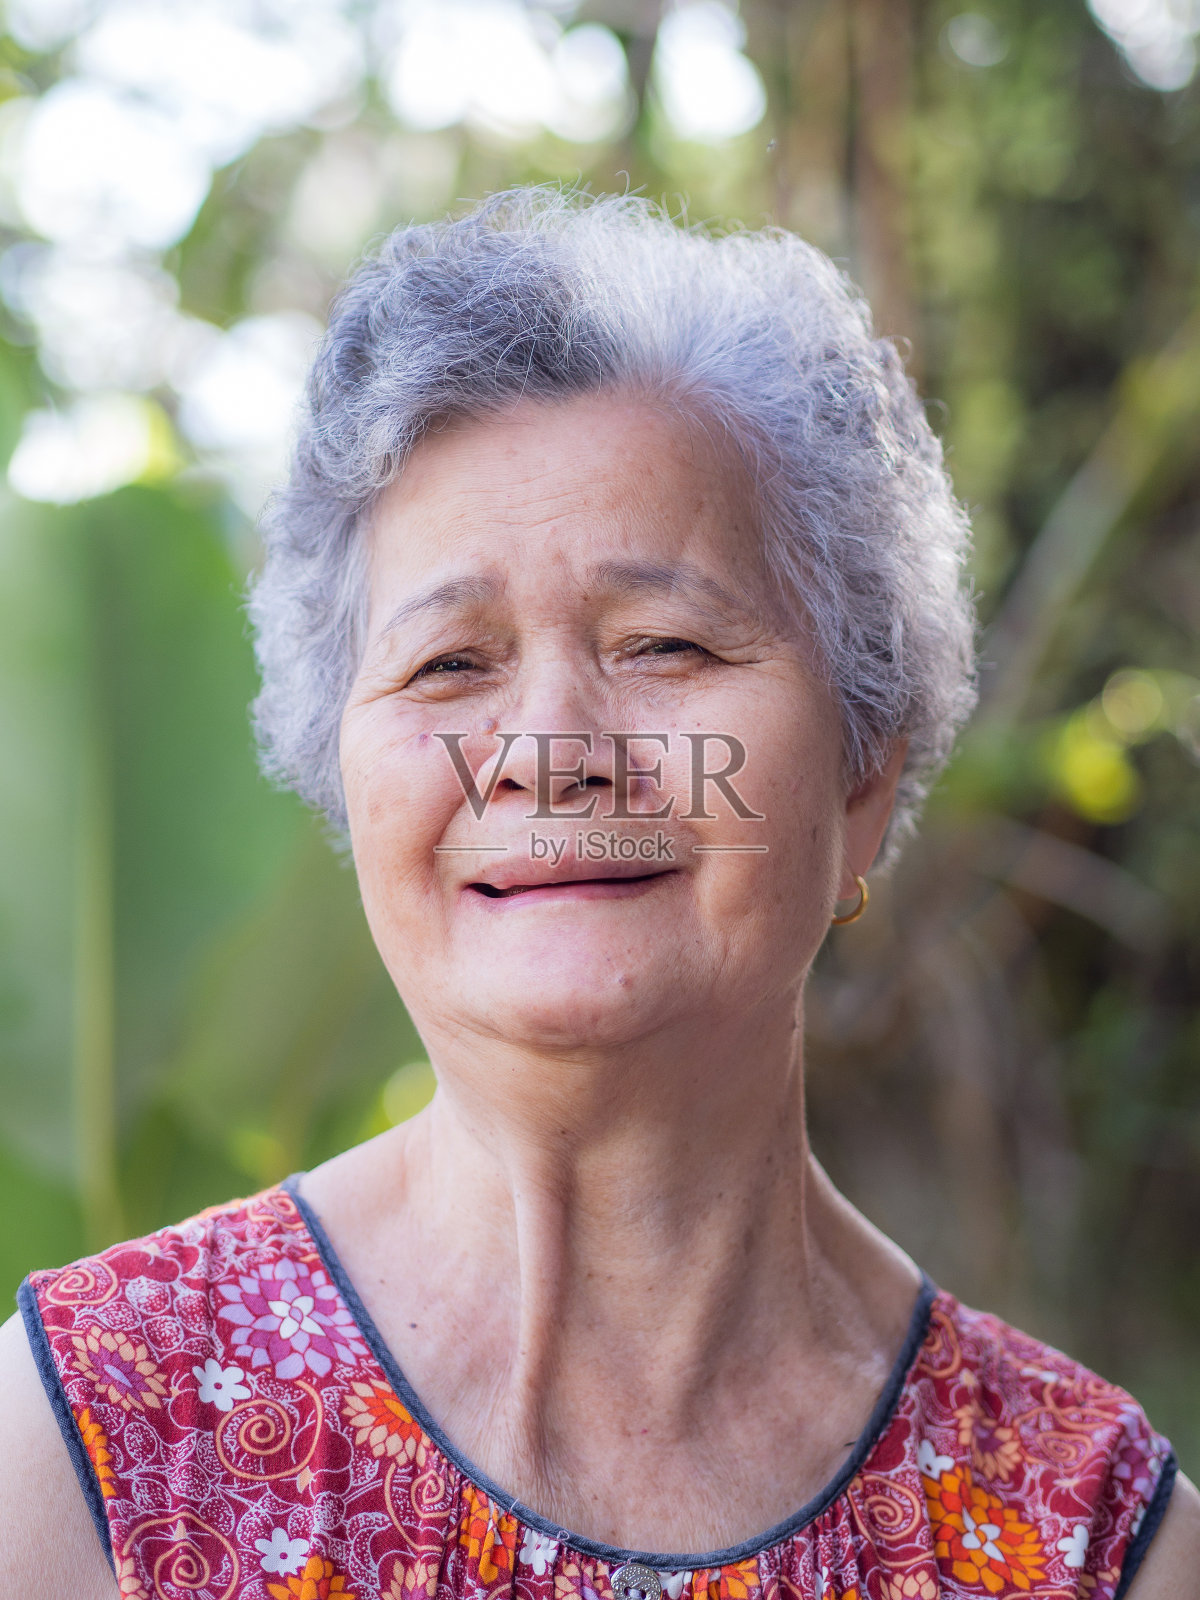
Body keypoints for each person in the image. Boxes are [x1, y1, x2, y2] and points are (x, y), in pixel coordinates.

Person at [1, 188, 1196, 1600]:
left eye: (669, 643)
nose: (553, 751)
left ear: (863, 770)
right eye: (450, 664)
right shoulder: (89, 1438)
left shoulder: (1086, 1535)